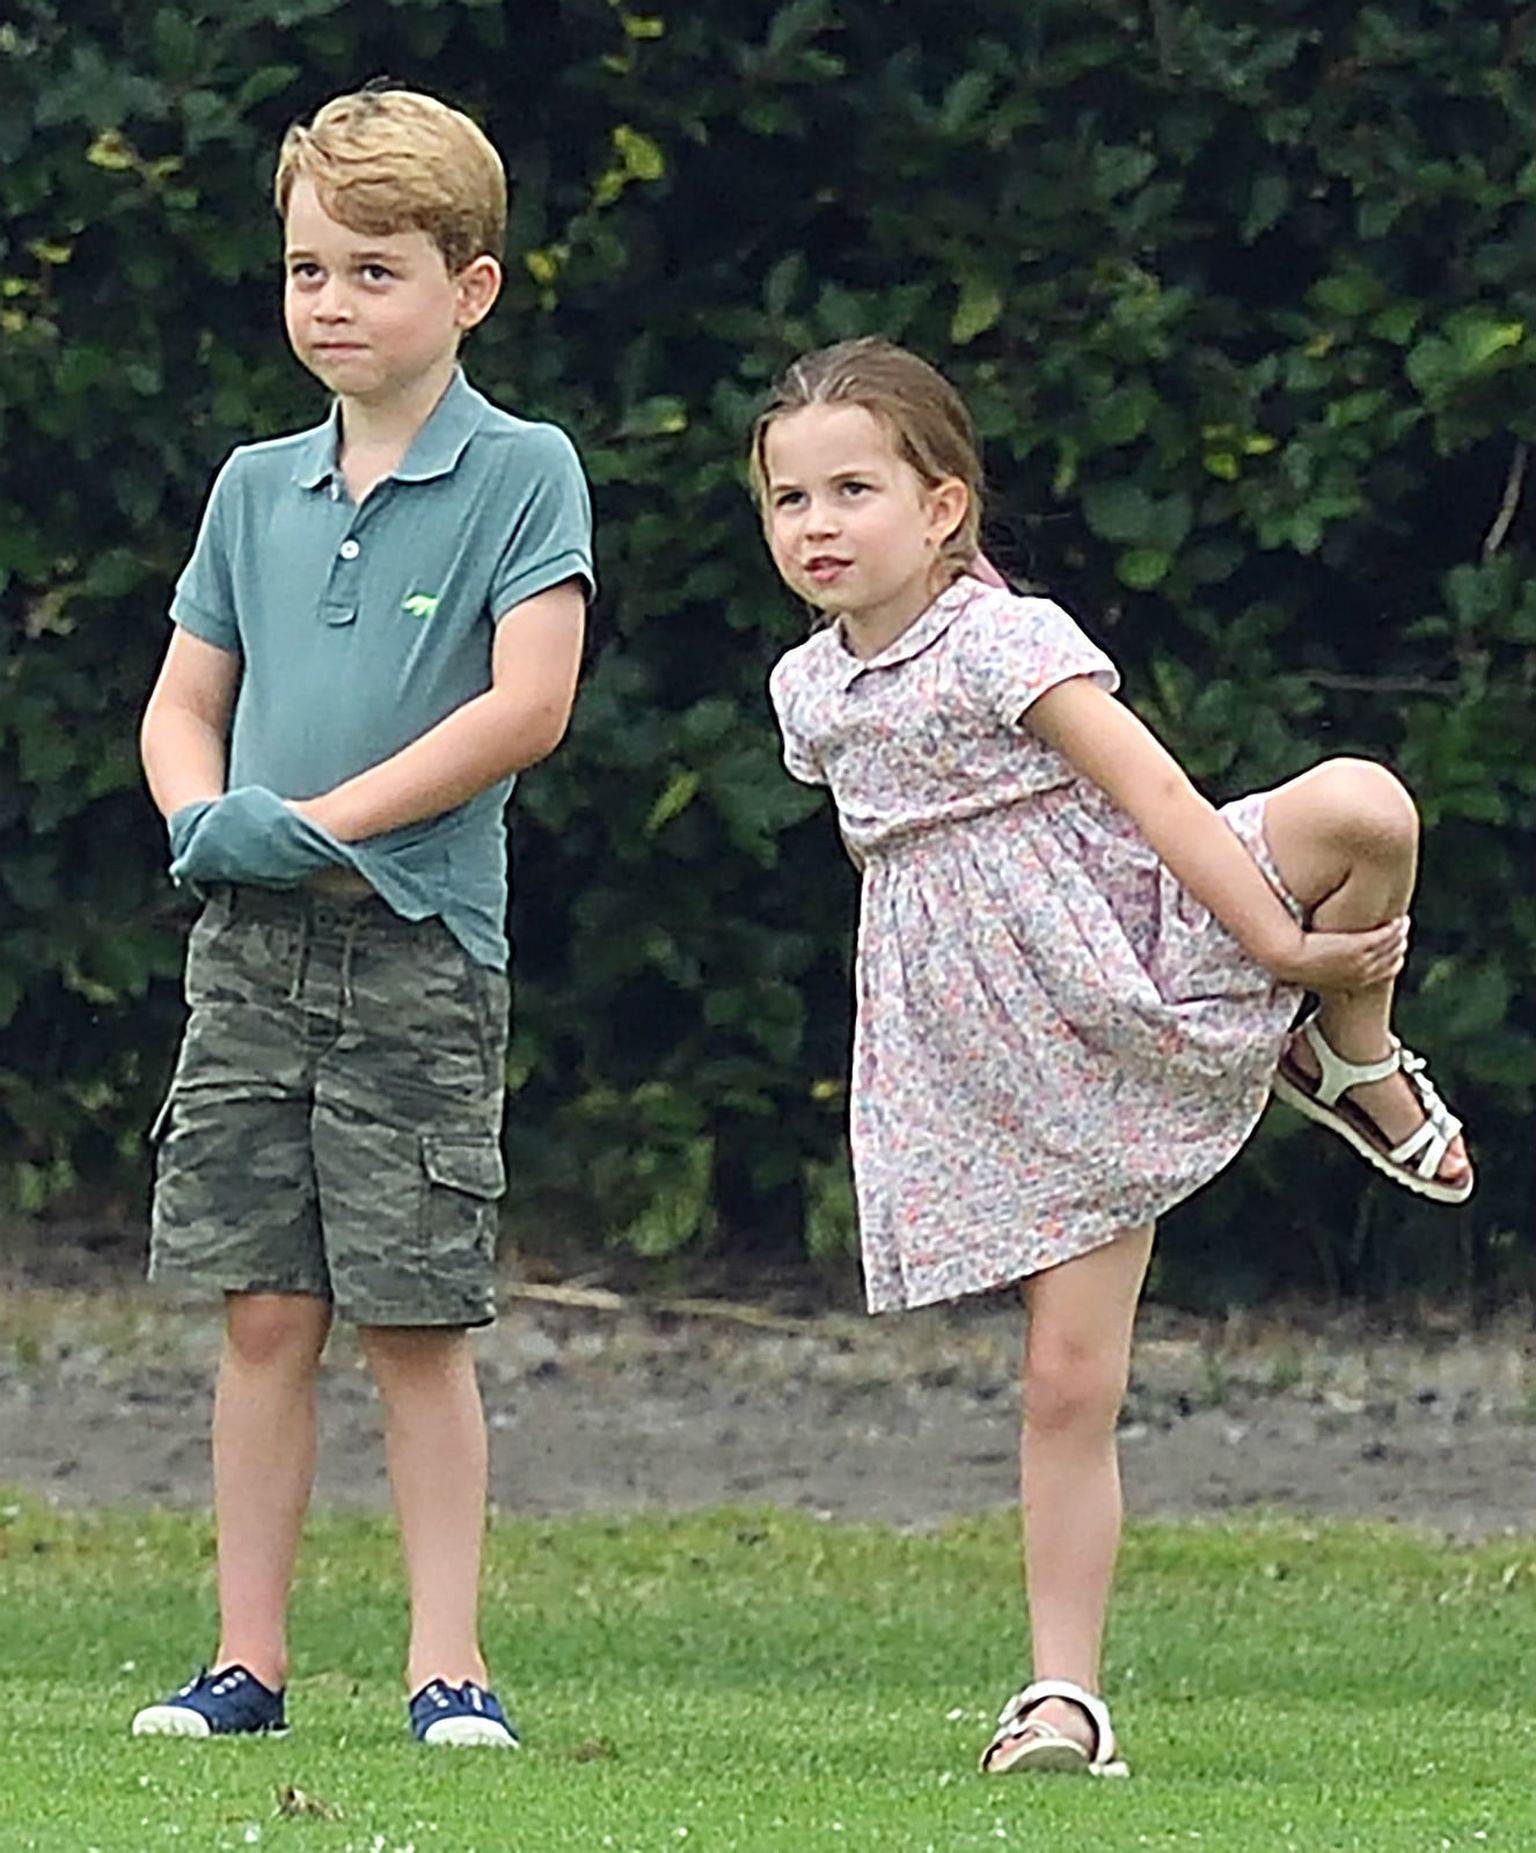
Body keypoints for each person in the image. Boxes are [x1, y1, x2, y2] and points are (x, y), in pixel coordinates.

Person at [756, 337, 1471, 1779]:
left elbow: (1153, 790)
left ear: (943, 509)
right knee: (1067, 1379)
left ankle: (1351, 1053)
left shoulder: (1005, 641)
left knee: (1369, 809)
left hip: (1130, 951)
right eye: (788, 499)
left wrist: (1278, 950)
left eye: (852, 490)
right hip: (996, 1047)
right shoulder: (806, 693)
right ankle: (1062, 1699)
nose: (817, 525)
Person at [131, 86, 592, 1748]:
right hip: (250, 950)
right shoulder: (252, 487)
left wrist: (326, 820)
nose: (331, 302)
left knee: (412, 1315)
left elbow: (527, 705)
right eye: (308, 269)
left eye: (374, 271)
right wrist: (202, 814)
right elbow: (183, 701)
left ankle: (446, 1665)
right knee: (263, 1310)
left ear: (470, 288)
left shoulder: (524, 470)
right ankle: (243, 1664)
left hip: (420, 952)